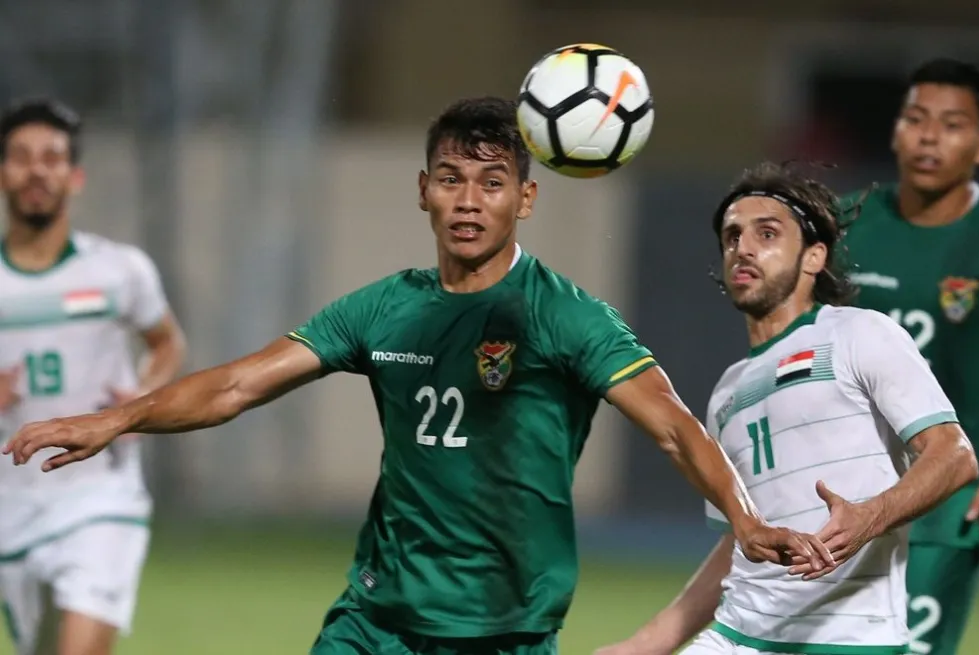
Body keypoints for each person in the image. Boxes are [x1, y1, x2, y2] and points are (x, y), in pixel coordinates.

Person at [3, 97, 832, 655]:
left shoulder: (564, 315)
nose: (469, 200)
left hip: (504, 627)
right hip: (376, 618)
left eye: (492, 182)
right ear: (423, 193)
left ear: (526, 200)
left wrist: (743, 516)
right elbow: (235, 385)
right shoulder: (382, 310)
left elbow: (672, 424)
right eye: (451, 179)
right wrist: (120, 417)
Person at [595, 162, 978, 655]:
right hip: (737, 634)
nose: (743, 248)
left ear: (814, 256)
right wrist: (650, 642)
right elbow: (739, 543)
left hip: (850, 641)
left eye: (767, 233)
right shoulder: (727, 392)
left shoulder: (859, 334)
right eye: (732, 237)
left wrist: (872, 515)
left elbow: (954, 455)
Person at [0, 97, 187, 655]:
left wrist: (141, 399)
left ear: (74, 176)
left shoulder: (119, 271)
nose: (38, 169)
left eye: (53, 157)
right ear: (2, 171)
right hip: (12, 500)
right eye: (22, 156)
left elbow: (167, 342)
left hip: (101, 492)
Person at [841, 58, 979, 655]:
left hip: (945, 502)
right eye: (916, 119)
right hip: (835, 494)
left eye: (951, 124)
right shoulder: (841, 224)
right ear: (897, 130)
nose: (929, 136)